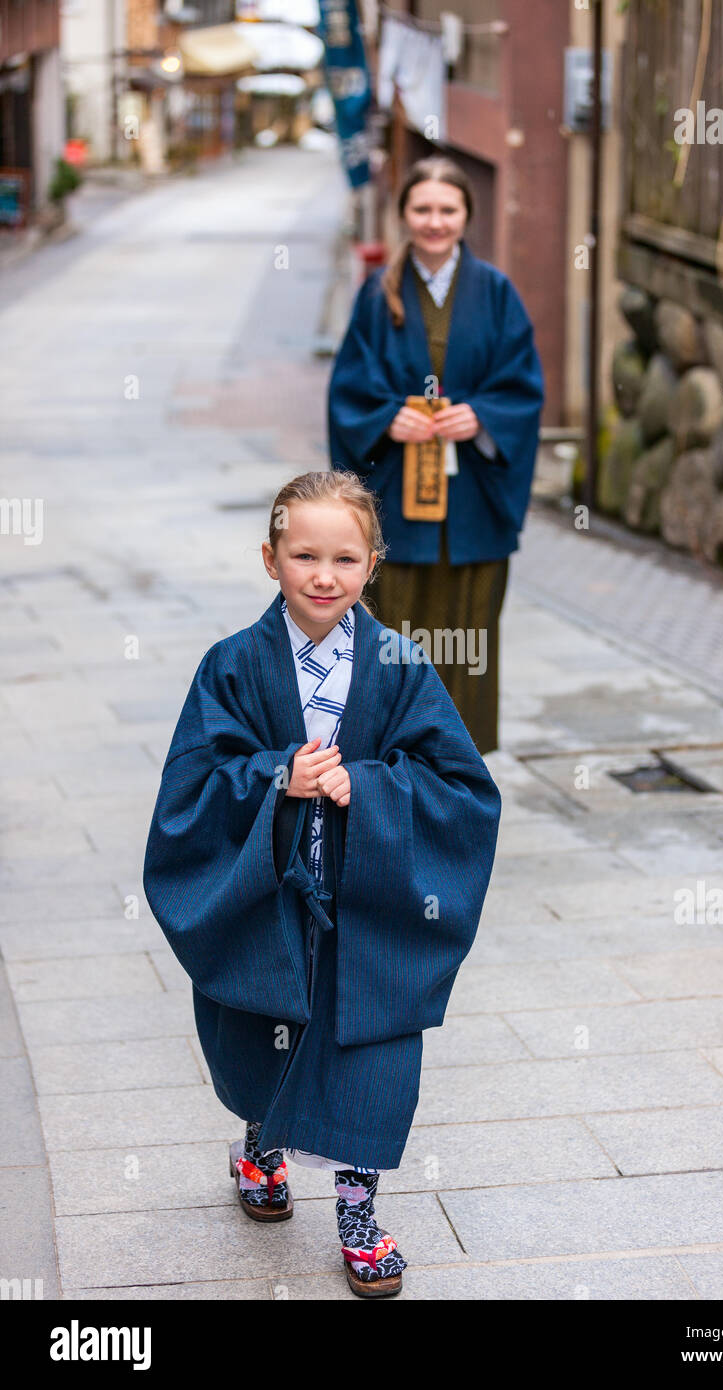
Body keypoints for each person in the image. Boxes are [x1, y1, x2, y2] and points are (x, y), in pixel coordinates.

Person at [142, 470, 501, 1298]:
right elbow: (192, 789)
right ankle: (262, 1148)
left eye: (344, 557)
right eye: (303, 554)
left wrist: (368, 789)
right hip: (266, 898)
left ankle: (357, 1214)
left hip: (367, 904)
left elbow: (463, 788)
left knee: (370, 1056)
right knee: (260, 1032)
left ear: (372, 564)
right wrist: (276, 778)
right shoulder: (231, 665)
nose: (323, 575)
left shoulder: (401, 665)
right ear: (270, 559)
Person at [328, 155, 545, 756]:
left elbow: (522, 388)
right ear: (403, 214)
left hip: (472, 503)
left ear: (466, 215)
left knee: (468, 636)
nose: (434, 221)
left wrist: (482, 416)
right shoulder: (380, 296)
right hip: (400, 500)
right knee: (392, 639)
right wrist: (384, 418)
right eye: (422, 209)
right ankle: (387, 768)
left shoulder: (496, 293)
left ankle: (457, 775)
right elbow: (349, 388)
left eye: (447, 209)